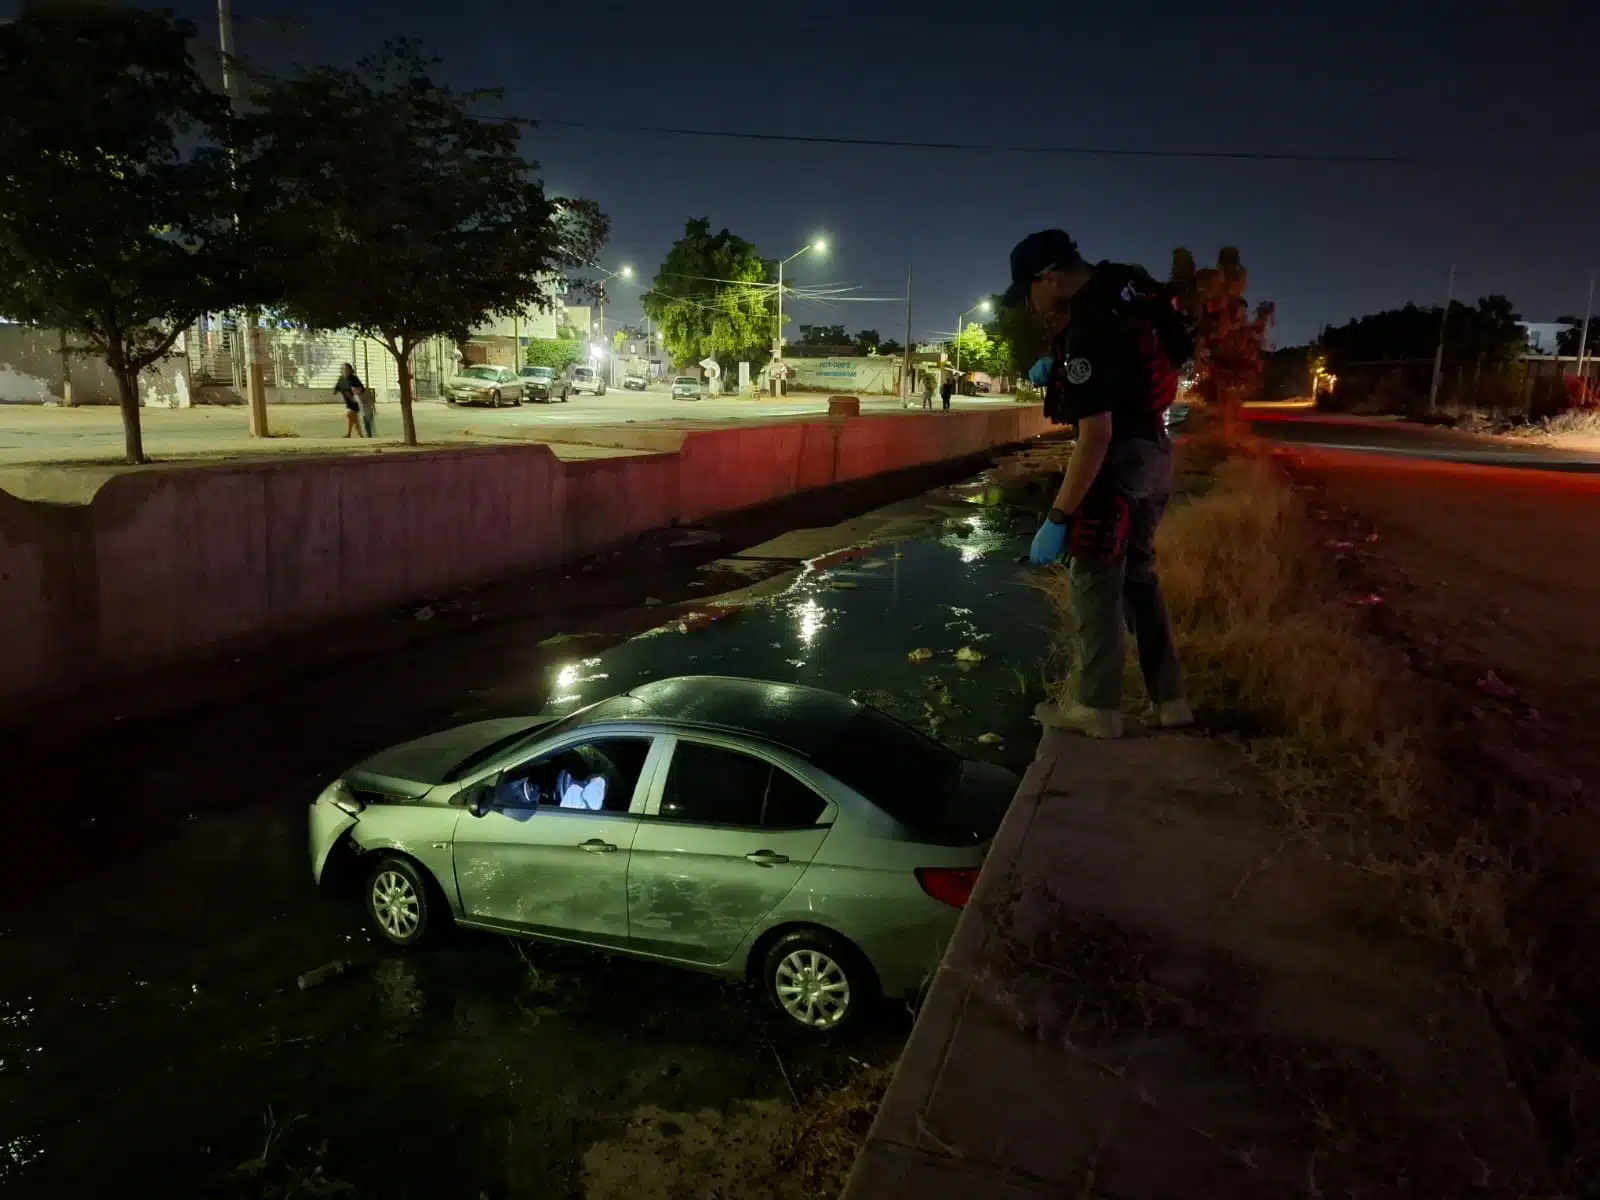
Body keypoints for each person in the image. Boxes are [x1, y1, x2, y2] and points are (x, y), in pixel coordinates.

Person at [1004, 228, 1193, 740]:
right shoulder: (1125, 287)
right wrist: (1064, 371)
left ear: (1051, 278)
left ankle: (1097, 708)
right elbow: (1156, 356)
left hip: (1119, 458)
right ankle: (1170, 700)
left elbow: (1095, 437)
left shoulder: (1088, 325)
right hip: (1156, 449)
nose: (1030, 306)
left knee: (1092, 575)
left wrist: (1058, 517)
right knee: (1138, 577)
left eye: (1029, 293)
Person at [334, 362, 366, 438]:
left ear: (350, 370)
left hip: (356, 401)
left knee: (350, 415)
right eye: (343, 369)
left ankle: (359, 434)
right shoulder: (341, 379)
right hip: (348, 402)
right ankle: (353, 434)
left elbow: (362, 389)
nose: (345, 370)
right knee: (352, 418)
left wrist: (355, 391)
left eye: (347, 368)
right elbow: (337, 389)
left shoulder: (354, 378)